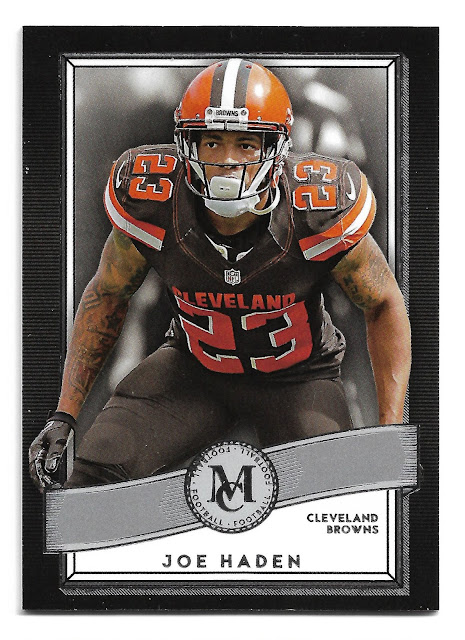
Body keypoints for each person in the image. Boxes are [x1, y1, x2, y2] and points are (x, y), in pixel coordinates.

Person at [29, 58, 411, 491]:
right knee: (92, 476)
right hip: (192, 369)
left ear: (277, 149)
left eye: (246, 144)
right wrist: (65, 413)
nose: (228, 161)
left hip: (298, 378)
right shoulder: (153, 198)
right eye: (211, 142)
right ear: (186, 144)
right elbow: (108, 293)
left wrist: (390, 430)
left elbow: (383, 302)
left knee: (329, 497)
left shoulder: (316, 205)